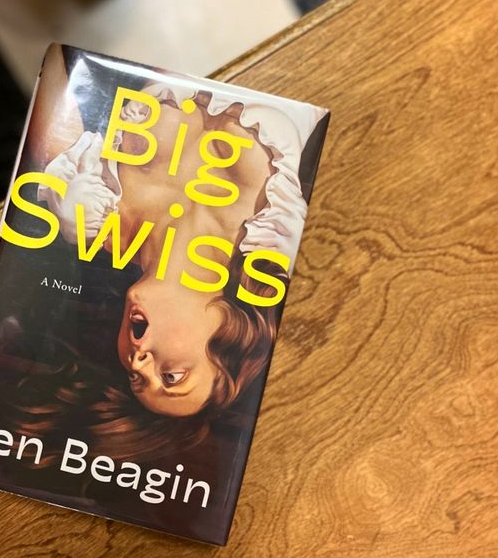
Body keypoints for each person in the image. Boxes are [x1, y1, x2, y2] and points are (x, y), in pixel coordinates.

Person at [32, 49, 326, 420]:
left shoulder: (85, 212)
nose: (138, 365)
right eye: (171, 377)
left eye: (134, 378)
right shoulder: (277, 238)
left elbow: (55, 65)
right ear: (230, 347)